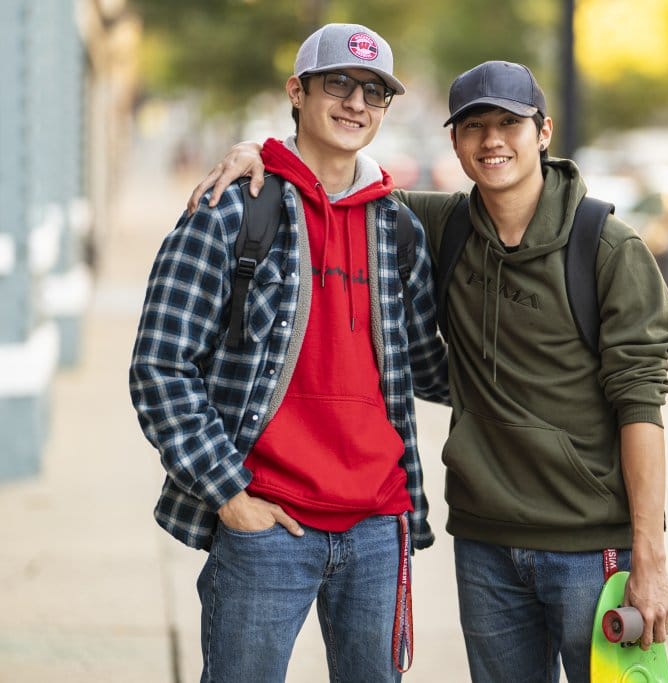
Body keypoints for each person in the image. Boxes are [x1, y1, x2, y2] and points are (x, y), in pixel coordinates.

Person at [189, 60, 668, 683]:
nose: (493, 140)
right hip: (485, 542)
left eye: (510, 123)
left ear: (544, 131)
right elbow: (333, 181)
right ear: (455, 141)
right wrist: (257, 153)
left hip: (591, 549)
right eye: (475, 126)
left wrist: (651, 559)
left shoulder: (608, 248)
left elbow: (642, 406)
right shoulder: (439, 226)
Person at [130, 23, 447, 682]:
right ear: (296, 91)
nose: (357, 103)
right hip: (266, 523)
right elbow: (159, 365)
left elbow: (430, 367)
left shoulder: (398, 226)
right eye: (339, 84)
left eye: (374, 92)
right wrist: (229, 496)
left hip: (378, 524)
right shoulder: (231, 209)